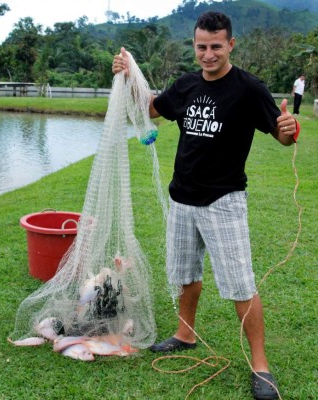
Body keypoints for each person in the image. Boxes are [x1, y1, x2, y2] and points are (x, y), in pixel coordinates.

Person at [112, 11, 300, 400]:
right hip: (182, 198)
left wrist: (287, 131)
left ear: (231, 44)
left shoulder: (248, 88)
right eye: (202, 47)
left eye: (216, 46)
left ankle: (261, 368)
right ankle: (185, 334)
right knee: (185, 274)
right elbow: (151, 110)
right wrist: (128, 76)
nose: (208, 54)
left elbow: (282, 136)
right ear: (194, 45)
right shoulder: (185, 85)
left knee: (240, 285)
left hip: (224, 201)